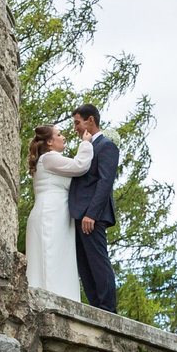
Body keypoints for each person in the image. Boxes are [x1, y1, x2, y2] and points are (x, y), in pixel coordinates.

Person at [24, 123, 92, 300]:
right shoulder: (49, 158)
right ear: (49, 142)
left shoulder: (49, 159)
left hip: (57, 211)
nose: (63, 137)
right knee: (51, 256)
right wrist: (85, 144)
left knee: (61, 257)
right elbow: (80, 166)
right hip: (50, 212)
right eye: (59, 135)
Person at [65, 103, 122, 313]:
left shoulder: (107, 146)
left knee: (98, 260)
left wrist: (92, 214)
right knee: (84, 263)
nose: (75, 128)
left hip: (92, 215)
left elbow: (105, 182)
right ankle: (96, 307)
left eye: (77, 123)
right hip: (79, 215)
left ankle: (108, 309)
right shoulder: (88, 146)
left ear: (91, 120)